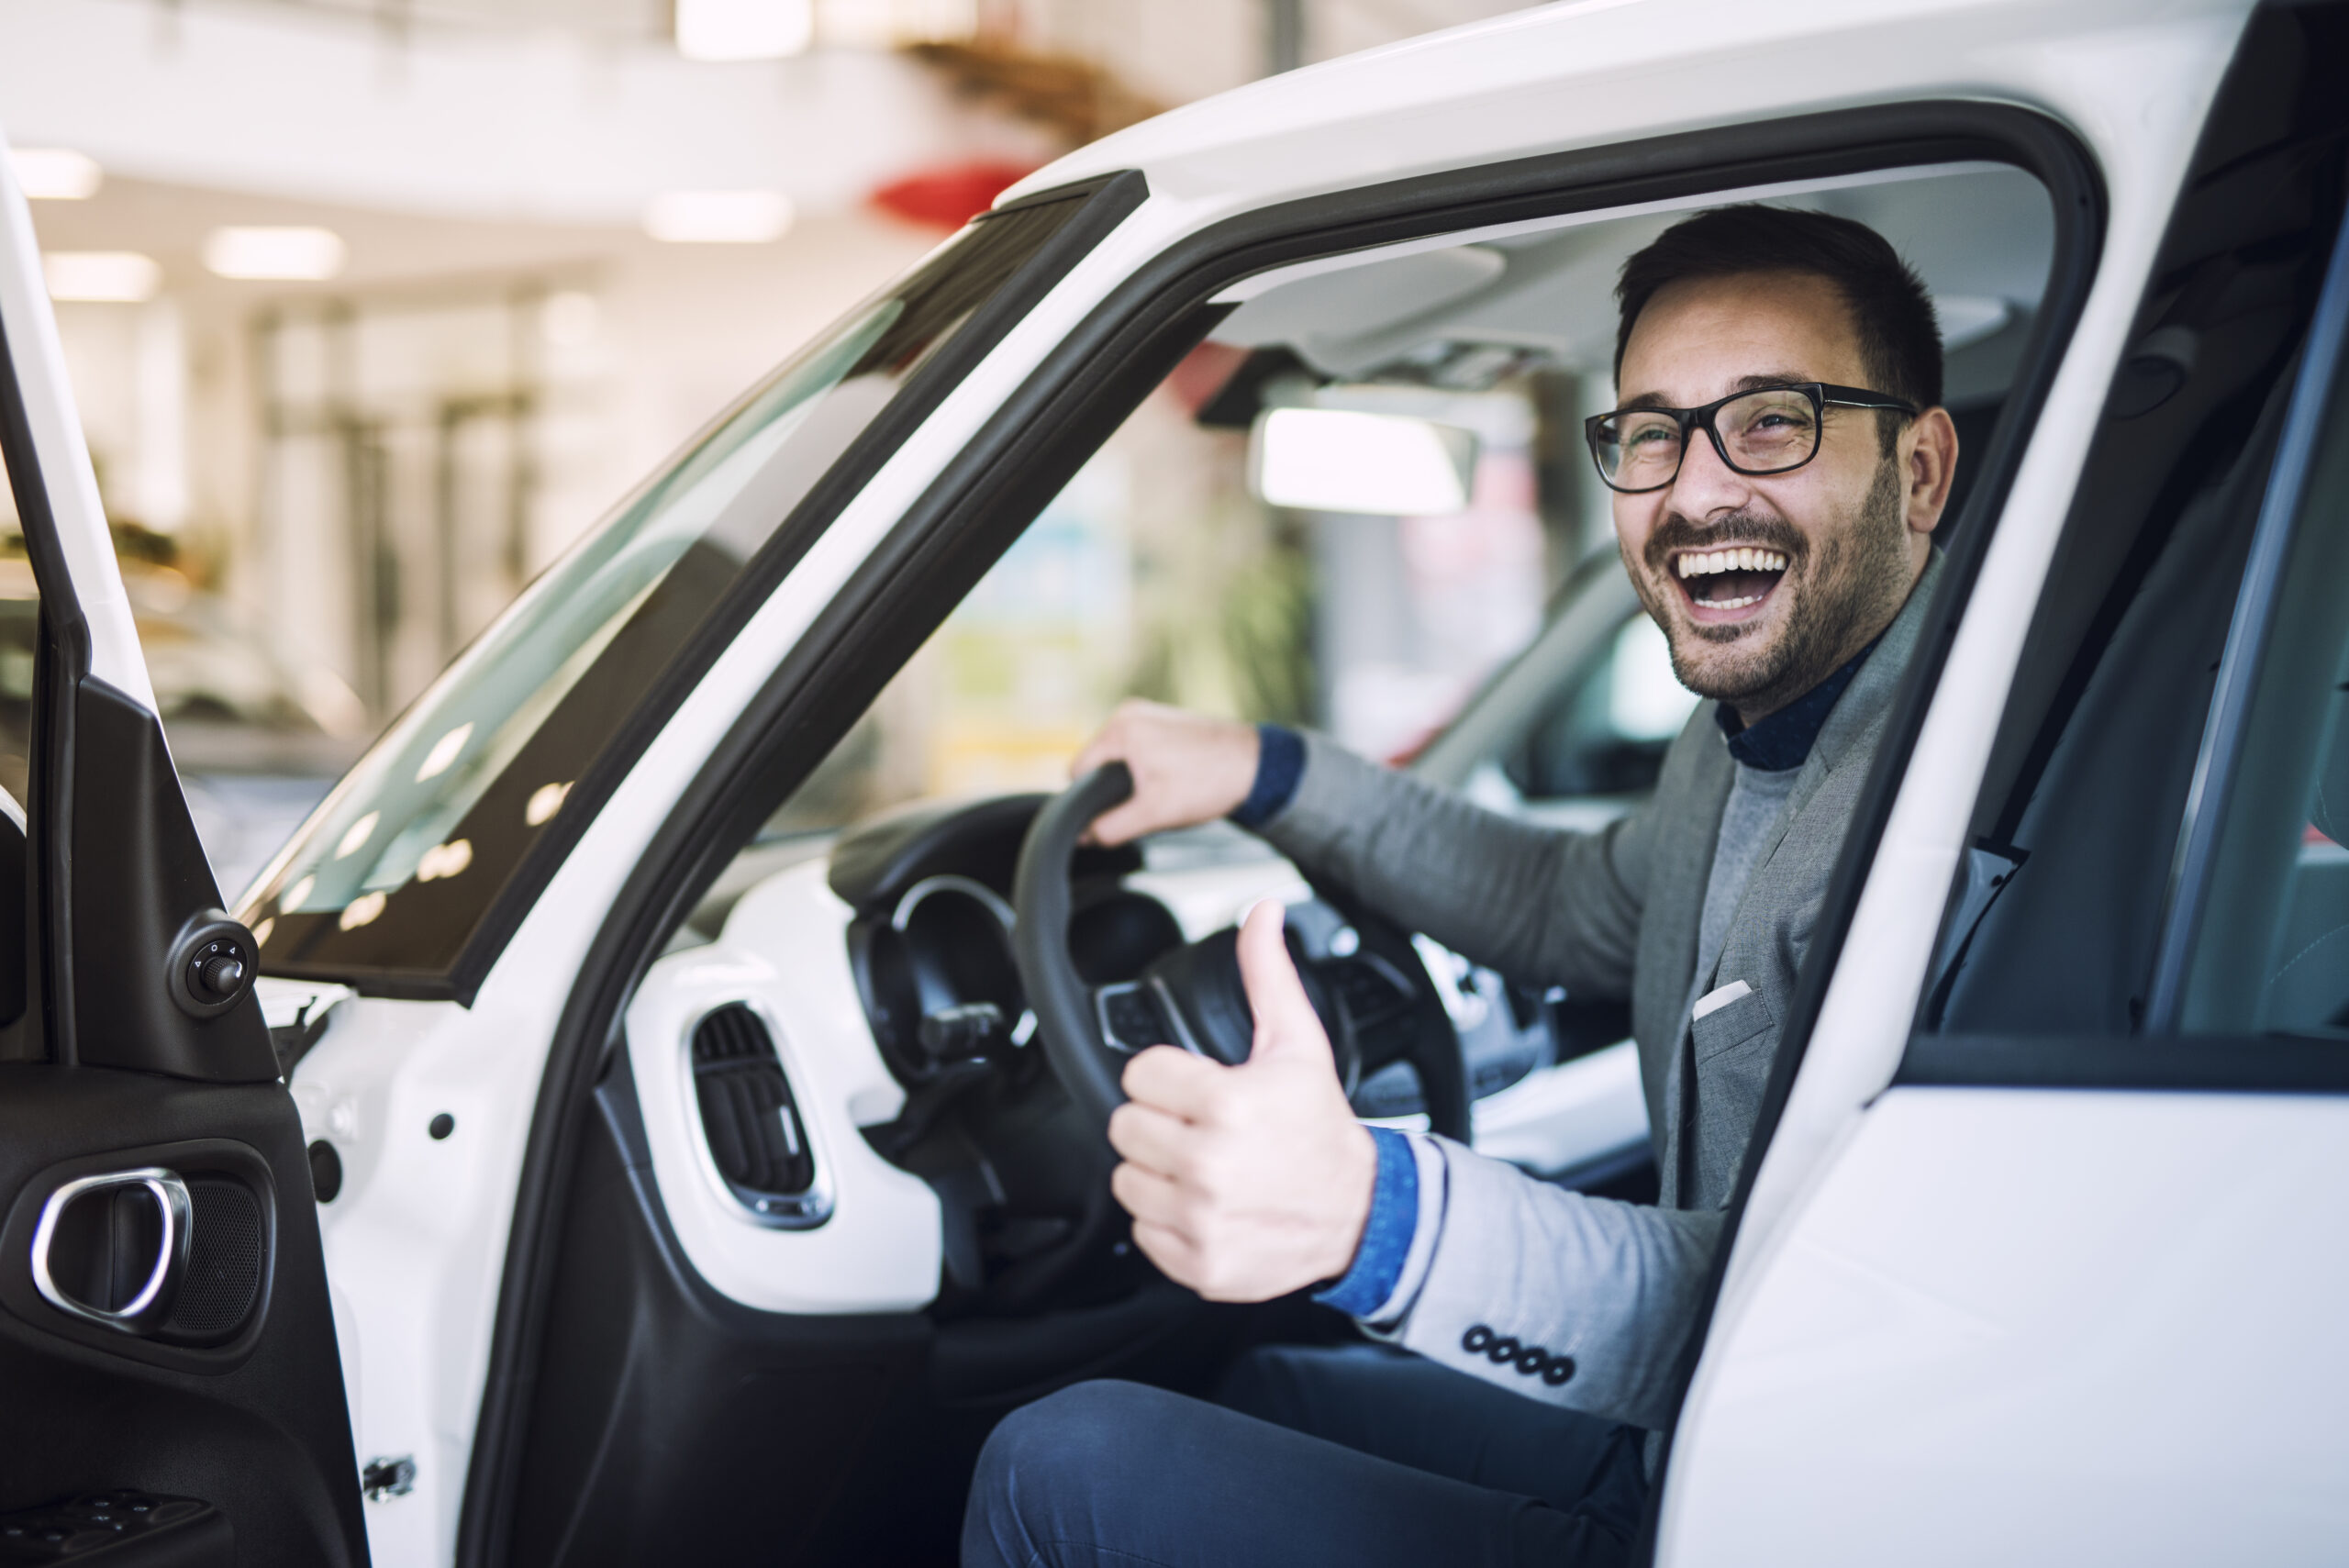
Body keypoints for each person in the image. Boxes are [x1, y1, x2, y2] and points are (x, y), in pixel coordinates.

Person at [963, 205, 1961, 1568]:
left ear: (1920, 468)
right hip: (1684, 1441)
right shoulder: (1753, 742)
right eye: (1653, 432)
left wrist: (1373, 1211)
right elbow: (1565, 904)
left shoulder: (1942, 808)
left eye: (1772, 420)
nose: (1697, 490)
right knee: (1259, 1386)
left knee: (1054, 1465)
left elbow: (1796, 1312)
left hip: (1789, 1501)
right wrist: (1270, 770)